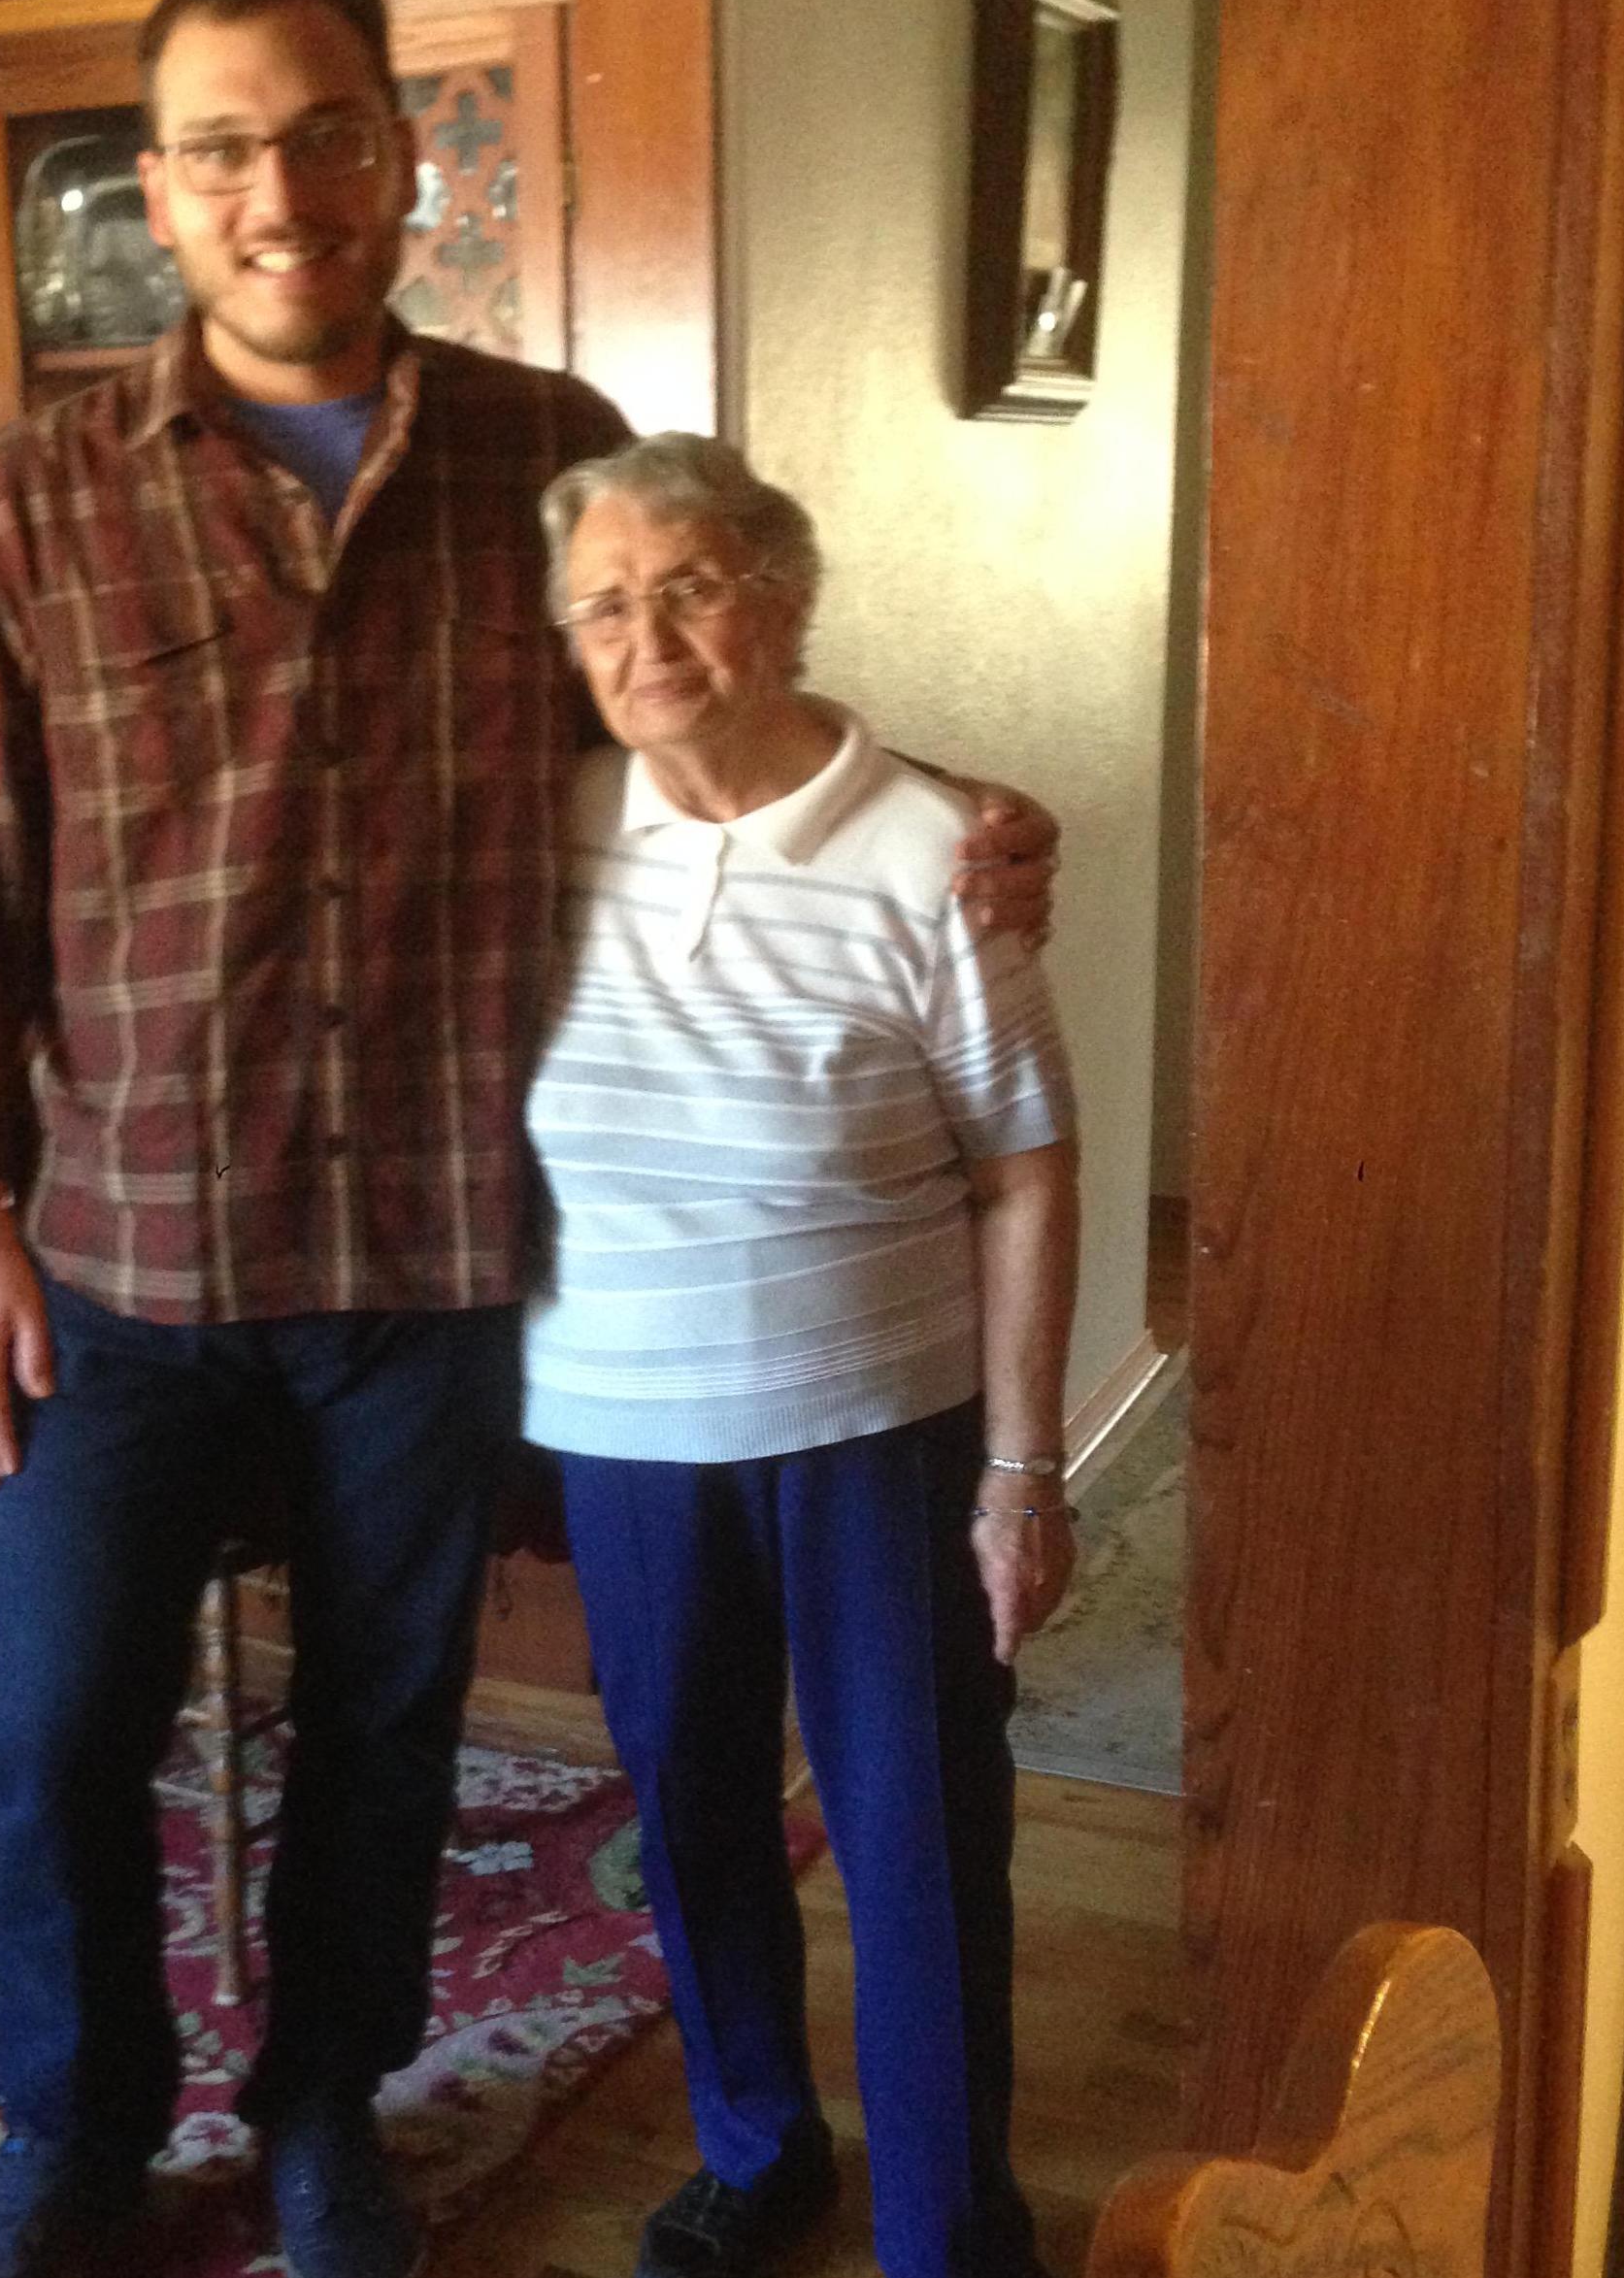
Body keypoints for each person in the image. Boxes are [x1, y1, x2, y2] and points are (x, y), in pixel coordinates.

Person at [0, 0, 1061, 2276]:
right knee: (61, 1727)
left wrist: (949, 814)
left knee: (385, 1723)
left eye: (325, 131)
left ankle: (327, 2106)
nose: (280, 190)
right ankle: (75, 2130)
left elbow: (694, 698)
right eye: (221, 147)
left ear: (399, 159)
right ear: (156, 194)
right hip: (128, 1241)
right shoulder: (31, 500)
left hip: (429, 1255)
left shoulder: (543, 448)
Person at [521, 432, 1078, 2278]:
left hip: (876, 1427)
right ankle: (757, 2147)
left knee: (914, 1835)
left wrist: (1021, 1472)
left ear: (784, 598)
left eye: (685, 587)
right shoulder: (542, 839)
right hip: (619, 1423)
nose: (644, 637)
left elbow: (1023, 1165)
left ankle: (947, 2223)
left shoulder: (941, 850)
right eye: (603, 605)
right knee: (690, 1814)